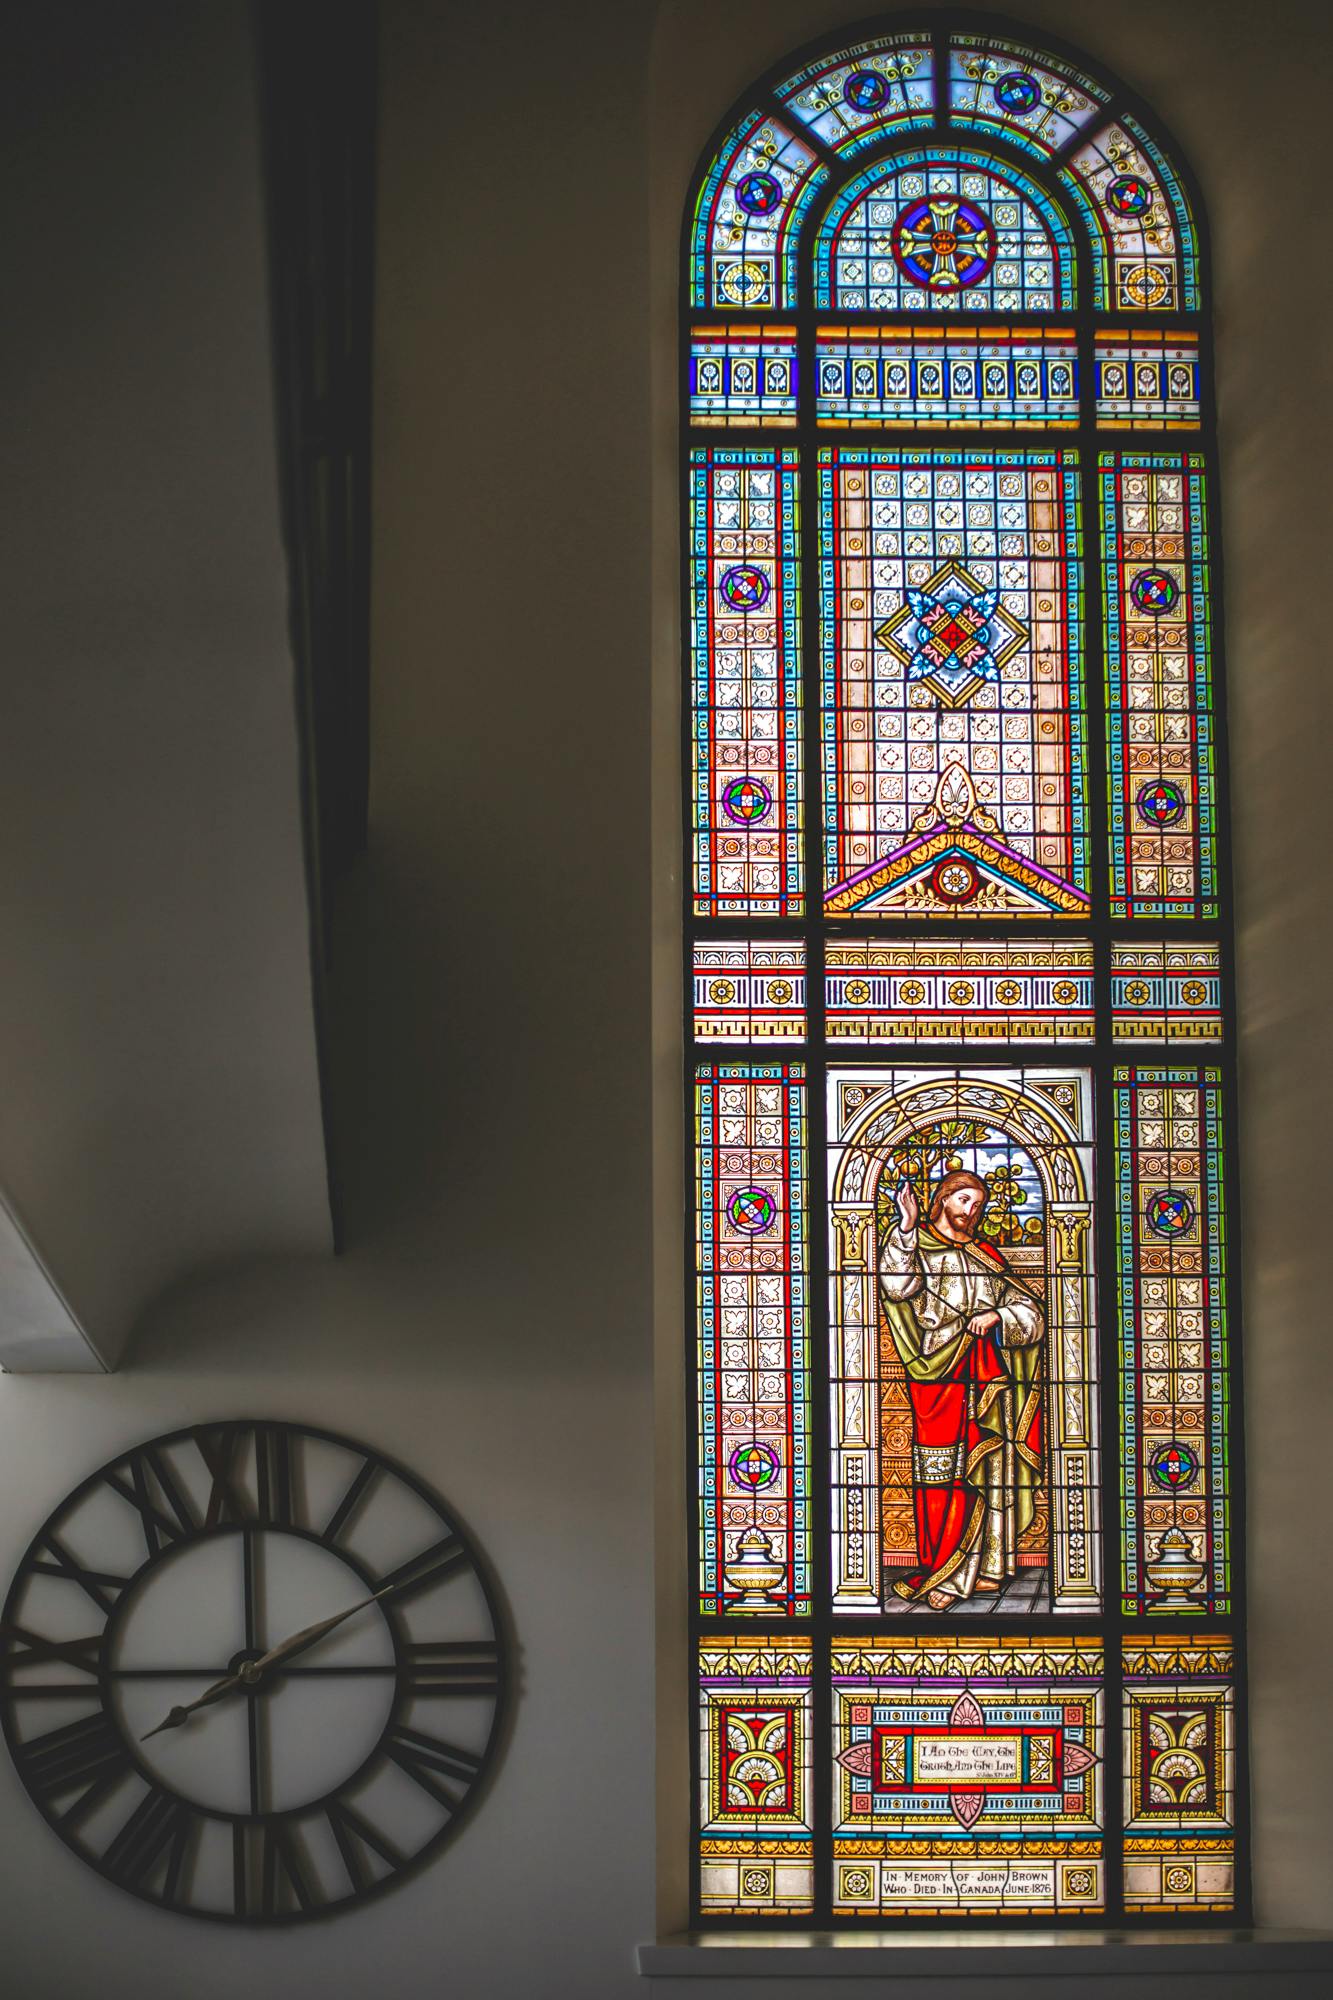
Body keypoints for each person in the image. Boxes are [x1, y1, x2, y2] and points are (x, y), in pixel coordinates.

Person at [878, 1168, 1044, 1610]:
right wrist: (907, 1227)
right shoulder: (916, 1246)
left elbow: (1028, 1309)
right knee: (940, 1474)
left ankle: (983, 1569)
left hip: (985, 1373)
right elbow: (896, 1287)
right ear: (944, 1200)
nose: (972, 1211)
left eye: (978, 1204)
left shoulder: (984, 1254)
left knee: (988, 1466)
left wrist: (998, 1318)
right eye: (964, 1200)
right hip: (936, 1375)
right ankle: (940, 1569)